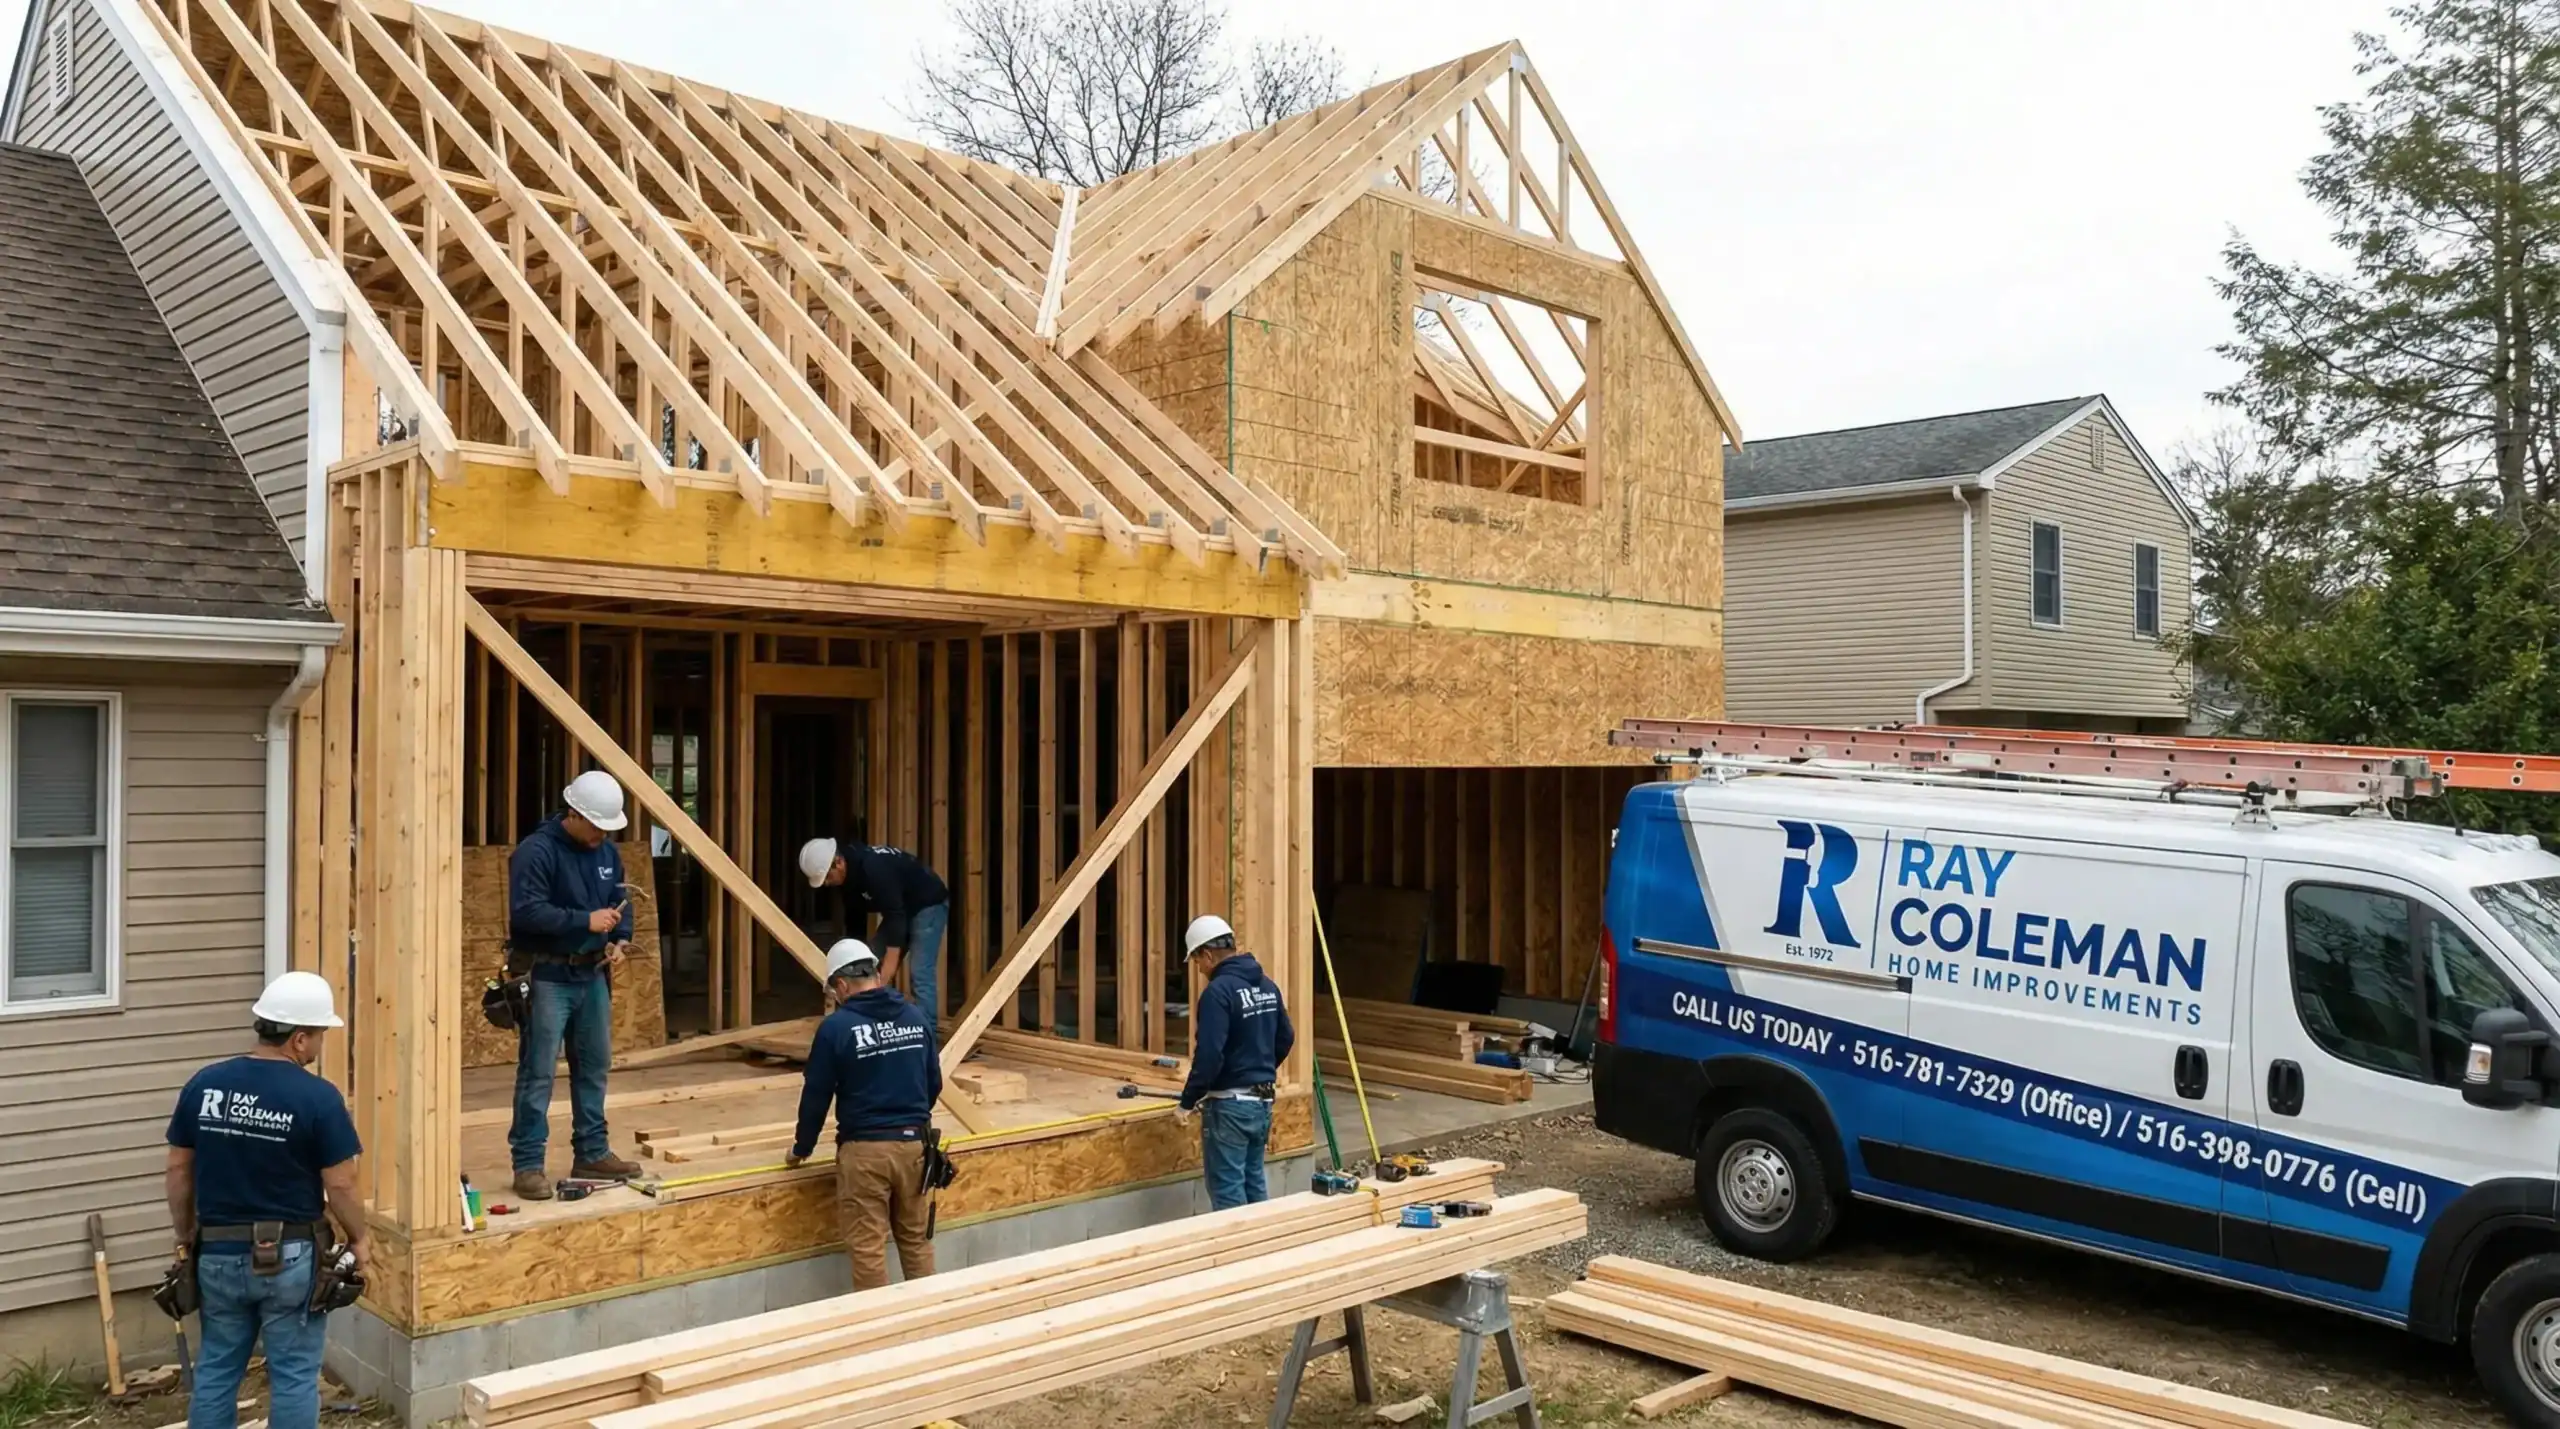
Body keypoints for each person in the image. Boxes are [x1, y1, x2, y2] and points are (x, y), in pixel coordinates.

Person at [165, 973, 367, 1429]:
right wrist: (360, 1237)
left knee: (216, 1368)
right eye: (318, 1036)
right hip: (290, 1260)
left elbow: (178, 1169)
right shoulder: (317, 1097)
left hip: (216, 1252)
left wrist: (185, 1234)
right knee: (294, 1375)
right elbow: (341, 1185)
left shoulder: (206, 1084)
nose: (318, 1046)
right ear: (298, 1039)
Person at [506, 770, 642, 1200]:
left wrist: (621, 939)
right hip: (548, 975)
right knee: (538, 1072)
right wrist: (584, 920)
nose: (603, 833)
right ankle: (528, 1163)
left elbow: (622, 901)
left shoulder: (606, 853)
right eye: (598, 825)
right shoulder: (537, 852)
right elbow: (526, 913)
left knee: (594, 1066)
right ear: (575, 814)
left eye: (608, 827)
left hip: (591, 973)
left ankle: (592, 1151)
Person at [785, 939, 943, 1290]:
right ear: (874, 973)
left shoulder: (836, 1029)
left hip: (866, 1152)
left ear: (842, 985)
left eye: (834, 992)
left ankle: (878, 1335)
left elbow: (816, 1096)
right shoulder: (915, 1017)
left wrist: (802, 1147)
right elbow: (933, 1082)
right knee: (916, 1242)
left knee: (869, 1250)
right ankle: (932, 1326)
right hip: (915, 1147)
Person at [1173, 915, 1295, 1210]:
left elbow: (1209, 1055)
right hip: (1261, 1103)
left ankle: (1236, 1254)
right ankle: (1261, 1251)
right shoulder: (1267, 986)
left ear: (1208, 954)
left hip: (1229, 1107)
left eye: (1197, 961)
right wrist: (1257, 1070)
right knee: (1253, 1183)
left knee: (1228, 1191)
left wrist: (1187, 1102)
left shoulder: (1218, 992)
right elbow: (1286, 1037)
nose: (1199, 970)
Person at [798, 837, 951, 1023]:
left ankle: (928, 1035)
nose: (827, 884)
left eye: (828, 878)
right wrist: (851, 957)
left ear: (838, 862)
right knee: (870, 960)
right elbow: (855, 921)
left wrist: (886, 973)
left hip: (928, 903)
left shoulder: (873, 869)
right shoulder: (847, 879)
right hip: (900, 908)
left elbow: (896, 918)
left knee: (920, 972)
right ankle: (869, 1019)